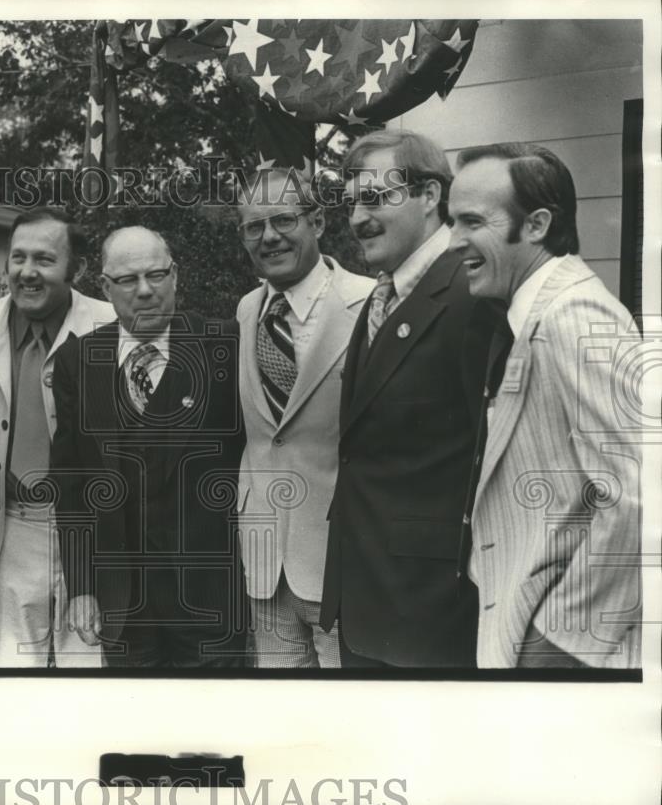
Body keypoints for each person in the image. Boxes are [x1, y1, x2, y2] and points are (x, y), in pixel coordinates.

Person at [448, 142, 641, 668]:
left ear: (535, 225)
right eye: (451, 222)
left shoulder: (573, 315)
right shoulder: (530, 314)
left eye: (471, 222)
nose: (453, 242)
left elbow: (642, 496)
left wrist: (564, 642)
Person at [318, 130, 492, 668]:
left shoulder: (472, 293)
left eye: (375, 199)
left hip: (432, 609)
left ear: (430, 196)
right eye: (351, 204)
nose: (357, 219)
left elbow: (493, 459)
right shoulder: (385, 291)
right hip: (367, 598)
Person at [50, 225, 247, 668]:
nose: (144, 291)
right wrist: (83, 583)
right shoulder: (78, 362)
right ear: (104, 286)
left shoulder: (224, 346)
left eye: (156, 275)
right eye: (127, 280)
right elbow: (72, 483)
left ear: (175, 275)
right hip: (123, 602)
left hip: (209, 595)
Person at [0, 208, 114, 668]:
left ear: (76, 269)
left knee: (92, 674)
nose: (27, 272)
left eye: (43, 259)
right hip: (12, 527)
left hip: (92, 531)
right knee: (10, 675)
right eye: (17, 258)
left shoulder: (113, 328)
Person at [235, 168, 374, 668]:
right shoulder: (247, 310)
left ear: (316, 221)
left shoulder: (370, 305)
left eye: (284, 220)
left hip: (341, 561)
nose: (269, 236)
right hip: (263, 558)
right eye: (254, 227)